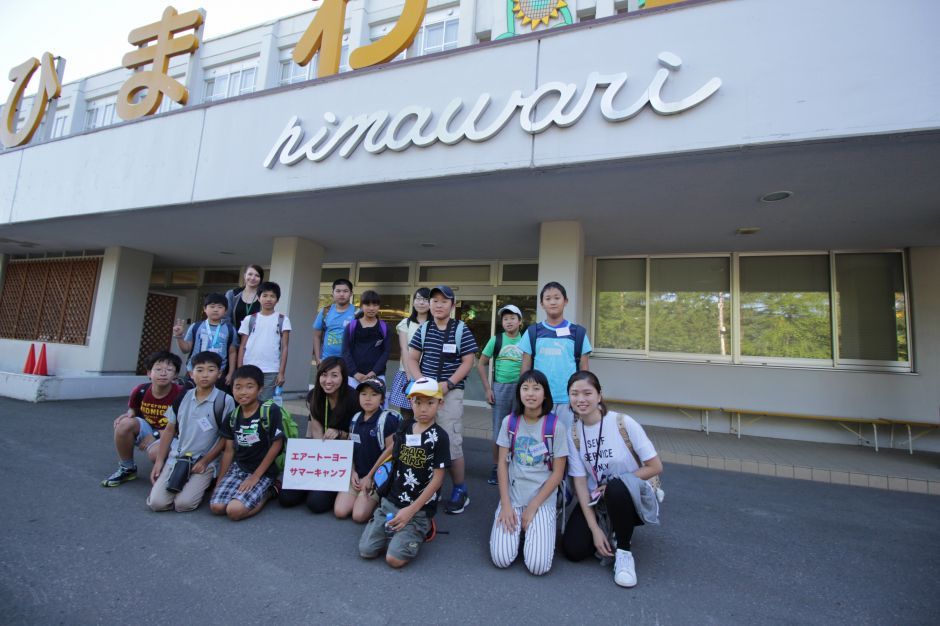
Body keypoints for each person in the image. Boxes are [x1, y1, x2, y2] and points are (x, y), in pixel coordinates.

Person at [562, 371, 663, 588]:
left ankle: (624, 551)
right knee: (574, 550)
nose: (581, 399)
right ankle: (607, 529)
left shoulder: (622, 423)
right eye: (574, 394)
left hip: (630, 496)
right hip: (597, 500)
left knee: (617, 486)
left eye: (587, 393)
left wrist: (615, 483)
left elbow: (655, 467)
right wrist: (595, 530)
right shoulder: (573, 433)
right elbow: (580, 482)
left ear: (599, 395)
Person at [358, 377, 450, 568]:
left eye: (430, 403)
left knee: (394, 559)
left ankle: (421, 527)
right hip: (392, 500)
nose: (423, 409)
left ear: (440, 404)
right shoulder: (405, 426)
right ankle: (394, 528)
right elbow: (391, 451)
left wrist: (411, 510)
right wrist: (370, 474)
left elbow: (438, 479)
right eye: (418, 402)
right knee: (366, 550)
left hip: (418, 508)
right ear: (410, 402)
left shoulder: (440, 437)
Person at [406, 285, 478, 515]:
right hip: (426, 394)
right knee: (422, 437)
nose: (438, 305)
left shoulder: (460, 330)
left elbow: (468, 361)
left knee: (451, 440)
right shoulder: (424, 328)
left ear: (452, 305)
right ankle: (425, 487)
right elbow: (412, 359)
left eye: (443, 301)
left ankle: (460, 489)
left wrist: (447, 384)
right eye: (434, 301)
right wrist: (422, 384)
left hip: (450, 392)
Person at [490, 369, 568, 576]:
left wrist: (533, 506)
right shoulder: (510, 422)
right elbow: (502, 465)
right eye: (525, 388)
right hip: (514, 498)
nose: (530, 393)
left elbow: (558, 473)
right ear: (519, 393)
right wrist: (506, 505)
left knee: (538, 566)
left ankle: (537, 528)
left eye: (536, 388)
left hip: (541, 500)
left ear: (545, 394)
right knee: (501, 559)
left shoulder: (555, 426)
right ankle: (524, 531)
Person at [147, 352, 235, 512]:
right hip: (177, 458)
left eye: (211, 370)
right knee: (157, 504)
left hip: (204, 462)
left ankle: (203, 482)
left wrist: (206, 461)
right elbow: (169, 430)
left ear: (219, 373)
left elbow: (225, 437)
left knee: (183, 504)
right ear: (191, 374)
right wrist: (160, 461)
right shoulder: (182, 397)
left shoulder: (225, 401)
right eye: (200, 370)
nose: (205, 375)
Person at [278, 356, 360, 511]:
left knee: (316, 504)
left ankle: (335, 488)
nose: (328, 381)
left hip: (346, 458)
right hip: (323, 455)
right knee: (286, 498)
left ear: (343, 377)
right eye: (324, 374)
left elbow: (359, 437)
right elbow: (316, 431)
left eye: (334, 375)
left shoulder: (354, 399)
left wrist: (339, 433)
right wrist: (317, 462)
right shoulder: (314, 395)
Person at [209, 365, 285, 521]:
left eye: (249, 387)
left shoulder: (270, 410)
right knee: (217, 507)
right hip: (239, 468)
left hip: (263, 471)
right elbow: (229, 451)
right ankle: (244, 494)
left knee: (234, 511)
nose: (243, 392)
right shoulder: (233, 416)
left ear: (260, 389)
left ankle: (270, 491)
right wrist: (220, 480)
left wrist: (255, 477)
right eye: (238, 387)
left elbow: (277, 444)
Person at [100, 351, 184, 487]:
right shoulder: (141, 390)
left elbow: (182, 426)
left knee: (155, 454)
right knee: (124, 424)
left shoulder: (181, 393)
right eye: (158, 369)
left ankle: (174, 473)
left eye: (169, 370)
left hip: (173, 434)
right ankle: (127, 468)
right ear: (149, 373)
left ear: (175, 375)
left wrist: (155, 436)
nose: (163, 373)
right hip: (150, 428)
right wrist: (128, 414)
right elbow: (134, 409)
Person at [519, 282, 592, 430]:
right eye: (548, 298)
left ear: (565, 301)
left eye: (557, 298)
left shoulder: (578, 333)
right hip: (540, 399)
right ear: (542, 304)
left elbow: (585, 371)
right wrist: (527, 396)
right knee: (540, 442)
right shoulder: (533, 332)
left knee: (569, 443)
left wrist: (583, 397)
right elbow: (525, 369)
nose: (552, 302)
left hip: (569, 400)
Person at [335, 379, 400, 522]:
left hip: (376, 477)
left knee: (358, 516)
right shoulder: (355, 418)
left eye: (374, 394)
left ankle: (380, 498)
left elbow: (390, 452)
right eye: (363, 394)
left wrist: (370, 477)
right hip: (357, 475)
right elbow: (349, 447)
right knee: (340, 511)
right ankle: (362, 496)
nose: (368, 398)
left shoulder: (387, 420)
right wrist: (352, 472)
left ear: (382, 398)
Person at [476, 303, 525, 485]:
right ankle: (498, 467)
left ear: (520, 322)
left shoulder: (526, 340)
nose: (509, 321)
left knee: (520, 428)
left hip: (522, 389)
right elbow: (481, 364)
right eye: (505, 319)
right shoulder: (496, 340)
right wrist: (488, 389)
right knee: (499, 429)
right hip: (500, 388)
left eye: (513, 318)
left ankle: (517, 465)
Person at [237, 281, 291, 402]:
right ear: (258, 297)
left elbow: (285, 347)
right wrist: (239, 369)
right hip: (249, 367)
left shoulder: (283, 319)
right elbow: (242, 346)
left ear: (277, 300)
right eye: (265, 295)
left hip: (271, 370)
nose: (268, 299)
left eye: (272, 296)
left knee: (265, 404)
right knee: (247, 401)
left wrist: (281, 373)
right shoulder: (249, 319)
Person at [172, 292, 239, 390]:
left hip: (218, 373)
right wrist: (179, 337)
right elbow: (185, 349)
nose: (215, 310)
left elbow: (232, 352)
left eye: (220, 307)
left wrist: (230, 373)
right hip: (194, 372)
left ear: (225, 311)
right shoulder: (196, 326)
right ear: (204, 309)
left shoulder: (230, 329)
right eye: (212, 306)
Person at [388, 287, 430, 418]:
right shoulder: (405, 323)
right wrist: (409, 375)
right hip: (406, 373)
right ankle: (405, 439)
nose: (421, 302)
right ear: (413, 302)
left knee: (426, 413)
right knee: (407, 415)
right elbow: (404, 349)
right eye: (418, 299)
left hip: (428, 373)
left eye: (425, 299)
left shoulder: (435, 324)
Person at [341, 289, 391, 390]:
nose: (371, 308)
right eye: (367, 305)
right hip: (353, 377)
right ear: (361, 306)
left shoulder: (384, 327)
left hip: (377, 377)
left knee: (375, 405)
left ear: (379, 306)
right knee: (352, 405)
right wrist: (355, 373)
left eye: (375, 305)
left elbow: (386, 352)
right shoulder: (351, 326)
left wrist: (374, 372)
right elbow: (346, 351)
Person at [312, 278, 355, 367]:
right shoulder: (325, 312)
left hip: (350, 362)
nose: (341, 294)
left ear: (351, 293)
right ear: (333, 293)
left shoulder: (357, 313)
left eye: (345, 291)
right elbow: (317, 336)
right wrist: (317, 359)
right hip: (327, 360)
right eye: (338, 291)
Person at [225, 264, 264, 331]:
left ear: (261, 279)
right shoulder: (232, 294)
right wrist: (233, 337)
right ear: (244, 275)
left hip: (256, 338)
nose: (252, 278)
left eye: (257, 275)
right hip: (234, 338)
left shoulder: (264, 296)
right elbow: (225, 318)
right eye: (250, 274)